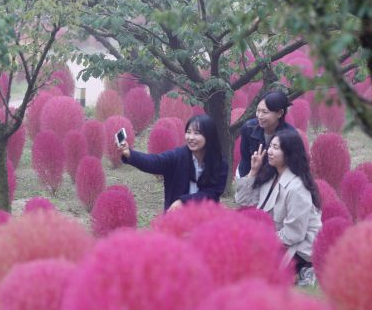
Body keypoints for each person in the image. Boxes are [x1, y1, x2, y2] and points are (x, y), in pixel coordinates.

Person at [234, 128, 322, 286]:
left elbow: (294, 234)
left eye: (276, 148)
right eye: (271, 146)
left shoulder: (297, 188)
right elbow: (243, 202)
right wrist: (253, 172)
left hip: (297, 249)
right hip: (276, 240)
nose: (269, 151)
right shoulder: (270, 175)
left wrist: (261, 241)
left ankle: (303, 271)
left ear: (289, 153)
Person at [118, 114, 228, 211]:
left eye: (197, 133)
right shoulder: (178, 156)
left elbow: (212, 194)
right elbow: (154, 162)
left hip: (205, 218)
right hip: (176, 218)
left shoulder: (219, 163)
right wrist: (130, 154)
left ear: (209, 136)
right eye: (188, 132)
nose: (191, 137)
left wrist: (183, 201)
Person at [237, 90, 296, 178]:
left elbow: (292, 168)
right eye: (258, 111)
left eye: (265, 112)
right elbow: (245, 160)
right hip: (250, 174)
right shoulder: (248, 128)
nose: (259, 116)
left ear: (280, 113)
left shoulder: (291, 136)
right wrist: (246, 183)